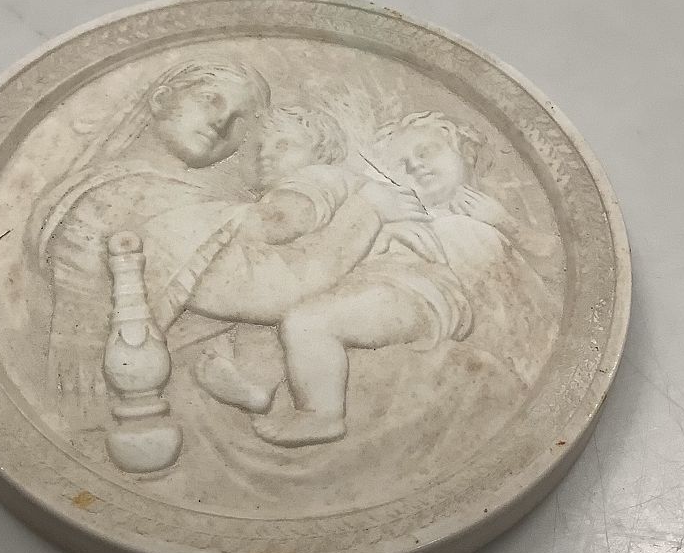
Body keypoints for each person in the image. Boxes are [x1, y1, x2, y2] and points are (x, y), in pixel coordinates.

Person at [200, 109, 560, 447]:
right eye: (401, 164)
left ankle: (321, 414)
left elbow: (553, 260)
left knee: (309, 321)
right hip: (374, 283)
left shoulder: (466, 223)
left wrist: (505, 222)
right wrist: (382, 231)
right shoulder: (398, 208)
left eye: (426, 151)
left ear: (461, 150)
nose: (415, 164)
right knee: (283, 314)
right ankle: (256, 386)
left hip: (416, 291)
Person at [26, 55, 271, 420]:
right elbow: (270, 292)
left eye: (240, 120)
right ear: (161, 99)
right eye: (211, 99)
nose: (221, 122)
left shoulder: (202, 202)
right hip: (142, 405)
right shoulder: (125, 195)